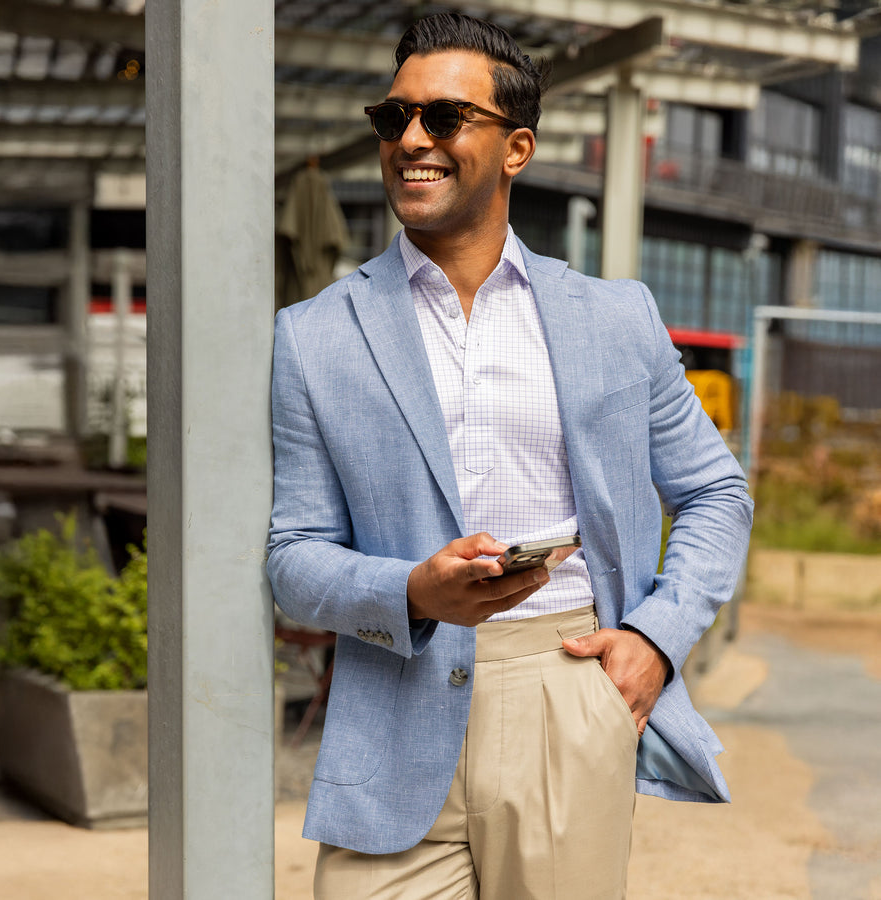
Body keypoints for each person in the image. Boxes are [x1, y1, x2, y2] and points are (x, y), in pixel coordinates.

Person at [267, 12, 753, 899]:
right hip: (392, 705)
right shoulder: (311, 337)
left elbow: (717, 491)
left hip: (565, 690)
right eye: (394, 118)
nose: (412, 139)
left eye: (445, 119)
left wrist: (656, 638)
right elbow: (292, 559)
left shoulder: (615, 318)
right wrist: (413, 591)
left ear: (516, 147)